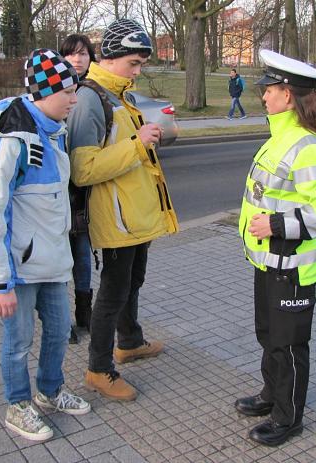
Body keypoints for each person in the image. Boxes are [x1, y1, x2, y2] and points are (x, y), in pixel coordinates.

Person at [0, 49, 90, 442]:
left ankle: (50, 390)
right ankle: (18, 405)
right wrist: (0, 281)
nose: (74, 100)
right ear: (46, 92)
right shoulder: (11, 139)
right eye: (69, 92)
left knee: (58, 332)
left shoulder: (54, 129)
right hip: (19, 271)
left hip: (53, 263)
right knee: (18, 341)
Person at [67, 18, 179, 402]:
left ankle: (129, 341)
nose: (139, 69)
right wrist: (137, 143)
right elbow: (83, 170)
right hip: (115, 217)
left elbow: (132, 153)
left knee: (133, 281)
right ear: (112, 57)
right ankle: (98, 369)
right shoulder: (89, 98)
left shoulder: (121, 95)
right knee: (113, 292)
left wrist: (151, 136)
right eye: (134, 62)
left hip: (136, 215)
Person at [235, 49, 316, 447]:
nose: (263, 96)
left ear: (288, 95)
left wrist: (276, 224)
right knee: (268, 335)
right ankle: (271, 396)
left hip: (293, 267)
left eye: (269, 89)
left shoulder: (309, 147)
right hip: (268, 261)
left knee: (289, 344)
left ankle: (288, 418)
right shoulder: (281, 138)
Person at [60, 33, 97, 345]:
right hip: (58, 191)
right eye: (72, 54)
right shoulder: (54, 91)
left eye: (84, 53)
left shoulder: (95, 92)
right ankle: (62, 321)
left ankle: (84, 314)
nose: (78, 58)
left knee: (83, 256)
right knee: (60, 258)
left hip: (83, 193)